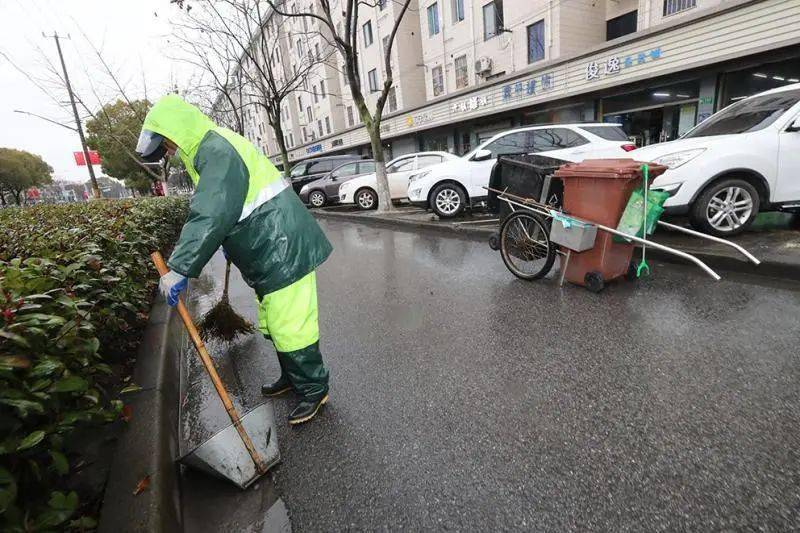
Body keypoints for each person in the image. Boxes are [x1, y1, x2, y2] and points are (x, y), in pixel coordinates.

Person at [135, 95, 333, 425]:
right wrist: (230, 239)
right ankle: (294, 377)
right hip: (268, 247)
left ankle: (314, 389)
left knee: (291, 324)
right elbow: (230, 207)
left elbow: (211, 211)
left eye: (165, 143)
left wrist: (180, 267)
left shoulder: (215, 150)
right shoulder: (208, 150)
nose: (167, 151)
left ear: (176, 130)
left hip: (282, 247)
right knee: (275, 322)